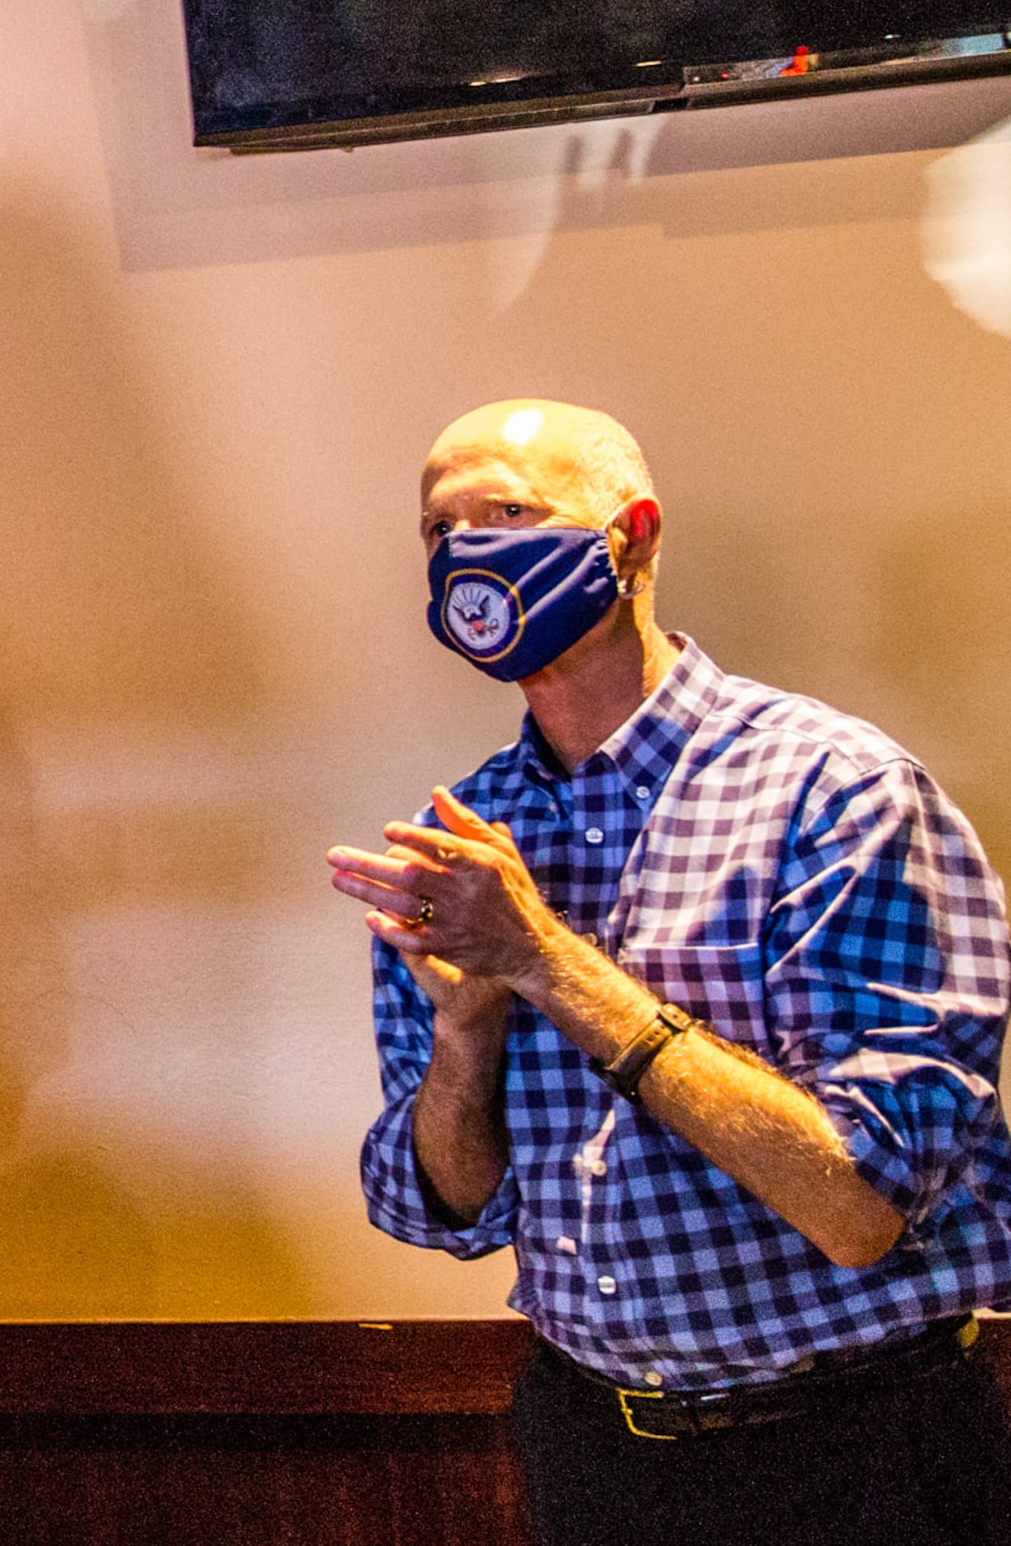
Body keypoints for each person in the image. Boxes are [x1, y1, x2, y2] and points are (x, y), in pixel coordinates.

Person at [328, 399, 1011, 1544]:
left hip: (855, 1456)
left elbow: (860, 1209)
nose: (466, 553)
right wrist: (465, 1043)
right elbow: (439, 1210)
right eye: (439, 529)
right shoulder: (467, 837)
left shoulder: (834, 794)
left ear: (632, 540)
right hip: (592, 1451)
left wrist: (546, 960)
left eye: (508, 512)